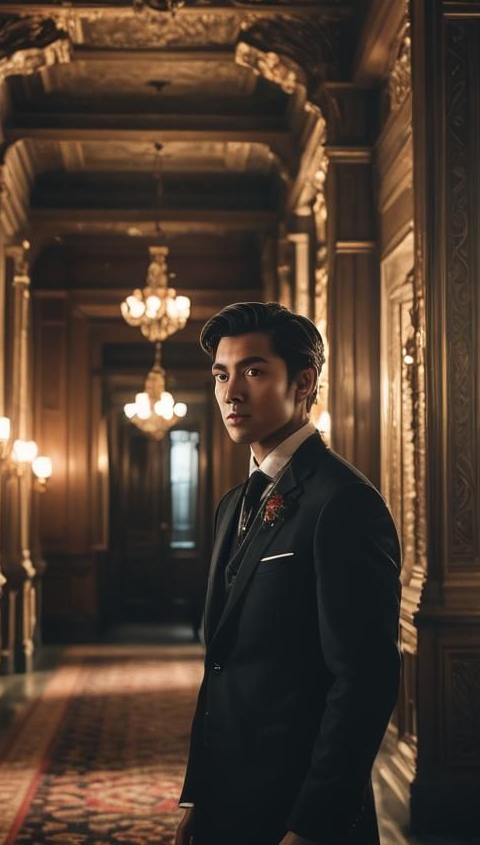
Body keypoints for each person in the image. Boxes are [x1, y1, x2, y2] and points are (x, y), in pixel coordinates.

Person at [174, 302, 401, 845]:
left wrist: (313, 822)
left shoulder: (344, 502)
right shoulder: (232, 504)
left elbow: (364, 681)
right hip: (227, 798)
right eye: (221, 375)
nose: (231, 393)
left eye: (253, 371)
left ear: (303, 383)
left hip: (299, 806)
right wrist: (198, 796)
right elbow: (221, 667)